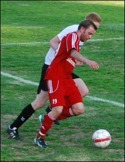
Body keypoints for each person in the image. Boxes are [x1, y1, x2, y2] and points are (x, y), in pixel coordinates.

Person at [7, 13, 102, 139]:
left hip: (65, 71)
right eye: (93, 28)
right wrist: (66, 56)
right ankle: (13, 127)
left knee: (83, 90)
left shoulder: (82, 36)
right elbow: (53, 42)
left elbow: (71, 52)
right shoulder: (72, 31)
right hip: (52, 68)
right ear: (86, 24)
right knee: (39, 102)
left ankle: (50, 113)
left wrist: (72, 60)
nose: (93, 33)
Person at [34, 19, 100, 148]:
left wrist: (75, 62)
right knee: (57, 109)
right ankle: (39, 137)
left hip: (67, 79)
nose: (90, 37)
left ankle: (49, 117)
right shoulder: (72, 36)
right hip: (55, 77)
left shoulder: (76, 40)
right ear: (82, 29)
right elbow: (72, 52)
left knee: (79, 109)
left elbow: (67, 55)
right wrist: (86, 60)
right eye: (89, 33)